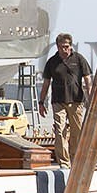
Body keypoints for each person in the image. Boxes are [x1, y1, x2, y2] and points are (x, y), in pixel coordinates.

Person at [38, 33, 93, 164]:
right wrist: (41, 102)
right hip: (58, 101)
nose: (65, 49)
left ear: (71, 46)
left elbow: (88, 80)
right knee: (59, 132)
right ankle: (64, 163)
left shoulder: (79, 59)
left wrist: (91, 99)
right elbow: (46, 83)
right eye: (62, 47)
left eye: (67, 46)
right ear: (57, 47)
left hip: (76, 101)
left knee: (77, 133)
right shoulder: (52, 62)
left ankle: (77, 161)